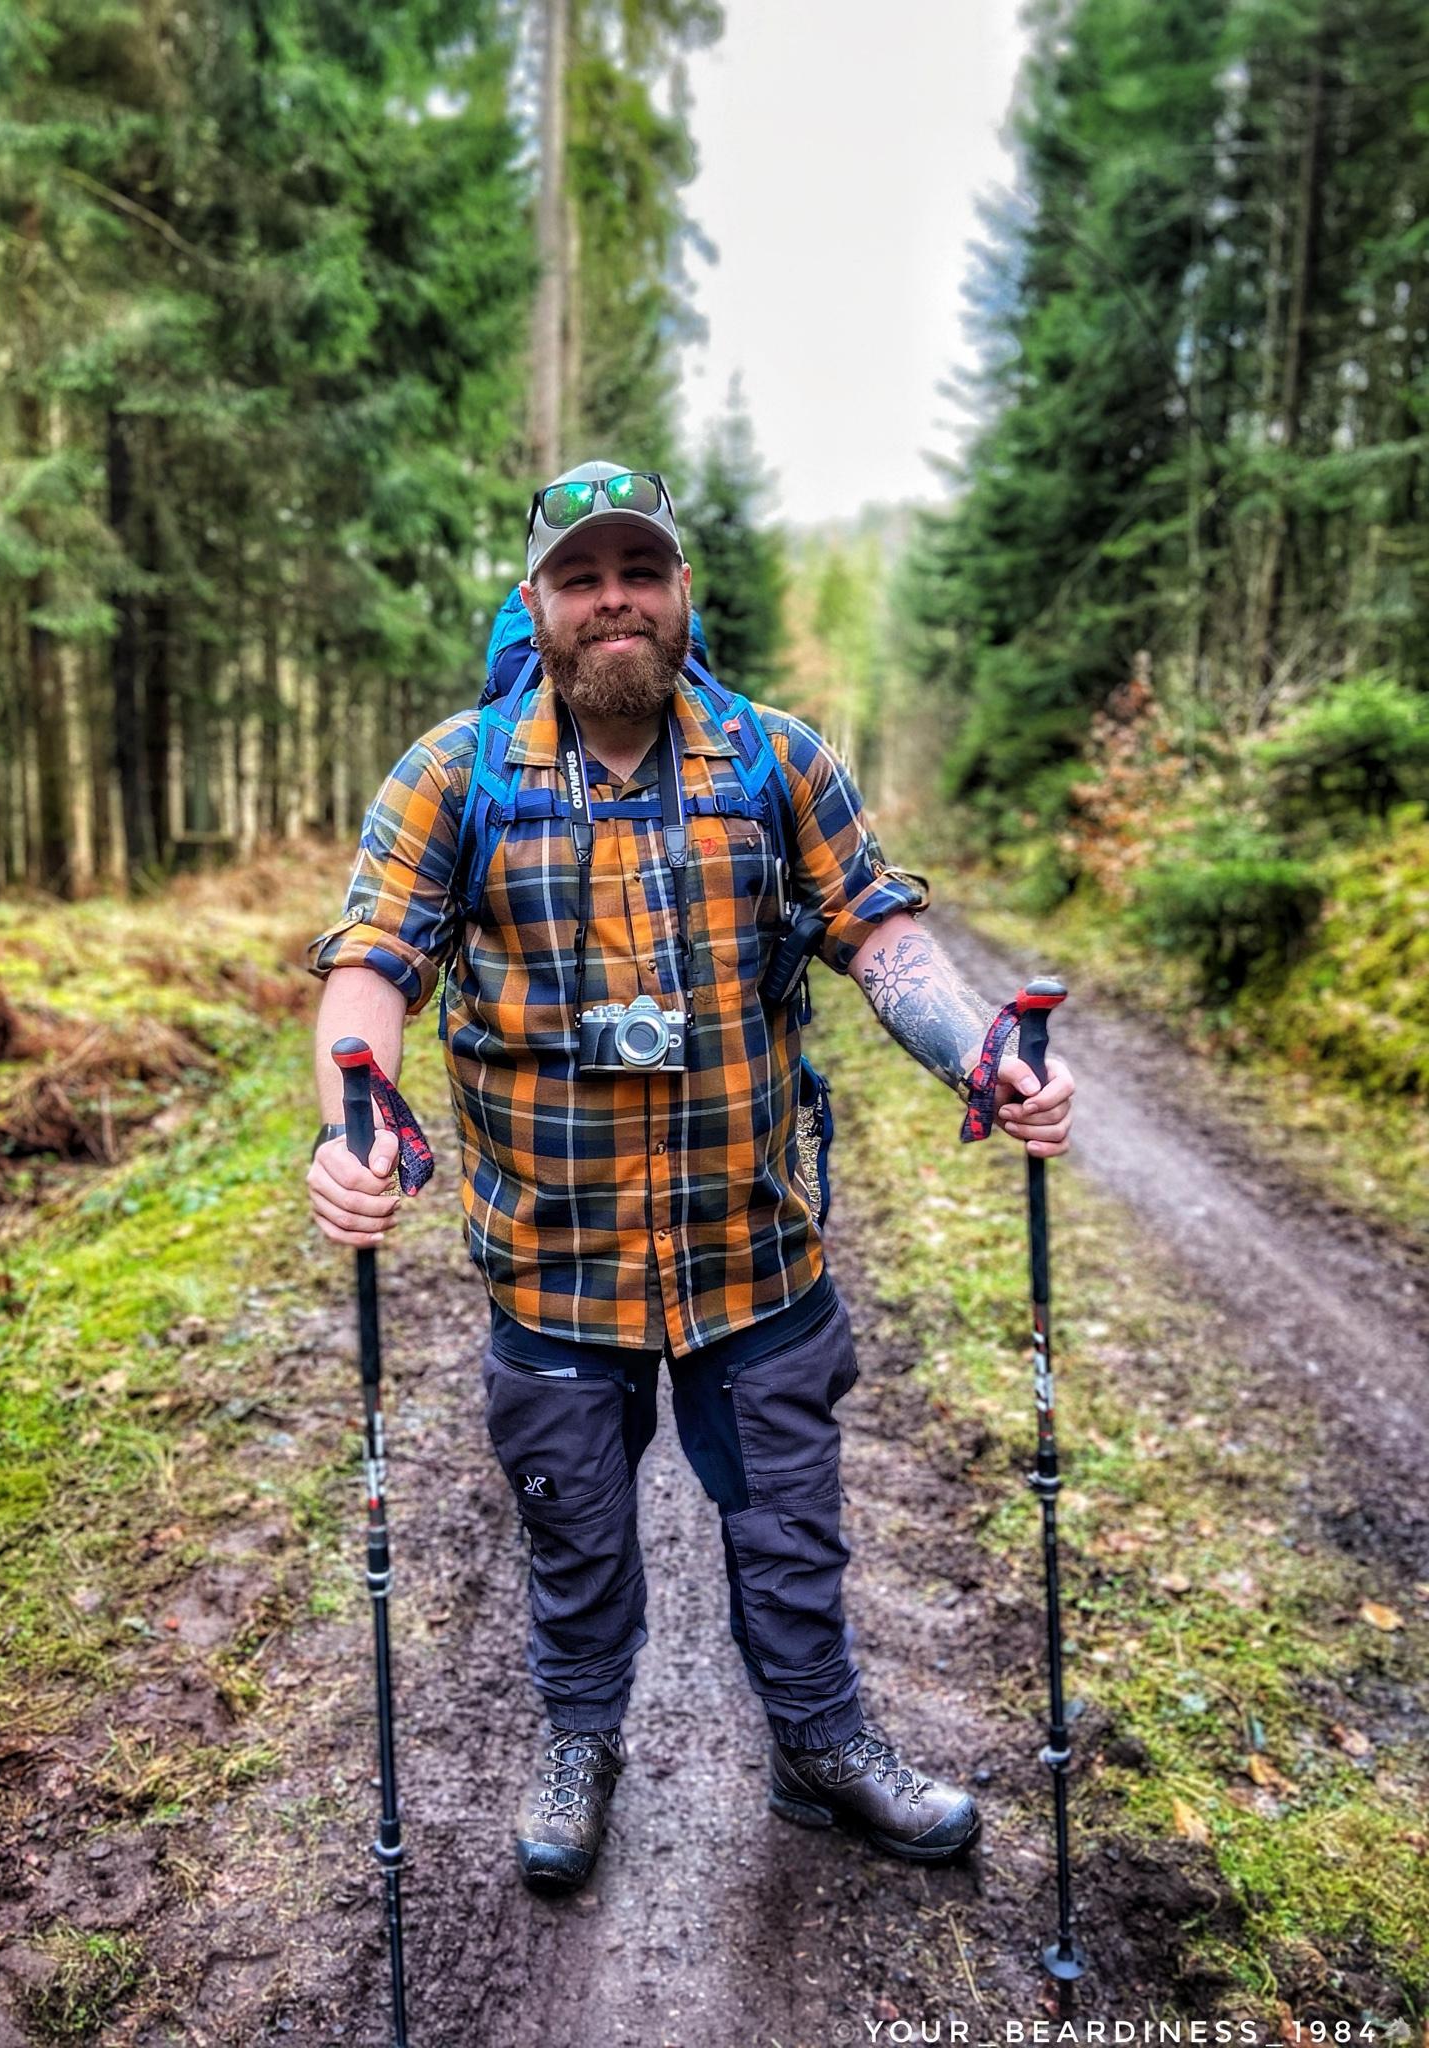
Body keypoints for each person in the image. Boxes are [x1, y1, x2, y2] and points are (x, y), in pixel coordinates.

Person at [305, 459, 1075, 1896]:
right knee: (574, 1531)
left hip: (752, 1252)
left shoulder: (777, 762)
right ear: (537, 603)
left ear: (680, 593)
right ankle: (579, 1742)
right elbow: (371, 965)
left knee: (790, 1528)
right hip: (555, 1261)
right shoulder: (454, 776)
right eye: (582, 578)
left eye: (639, 572)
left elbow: (877, 932)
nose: (615, 601)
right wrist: (355, 1118)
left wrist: (982, 1054)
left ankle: (820, 1746)